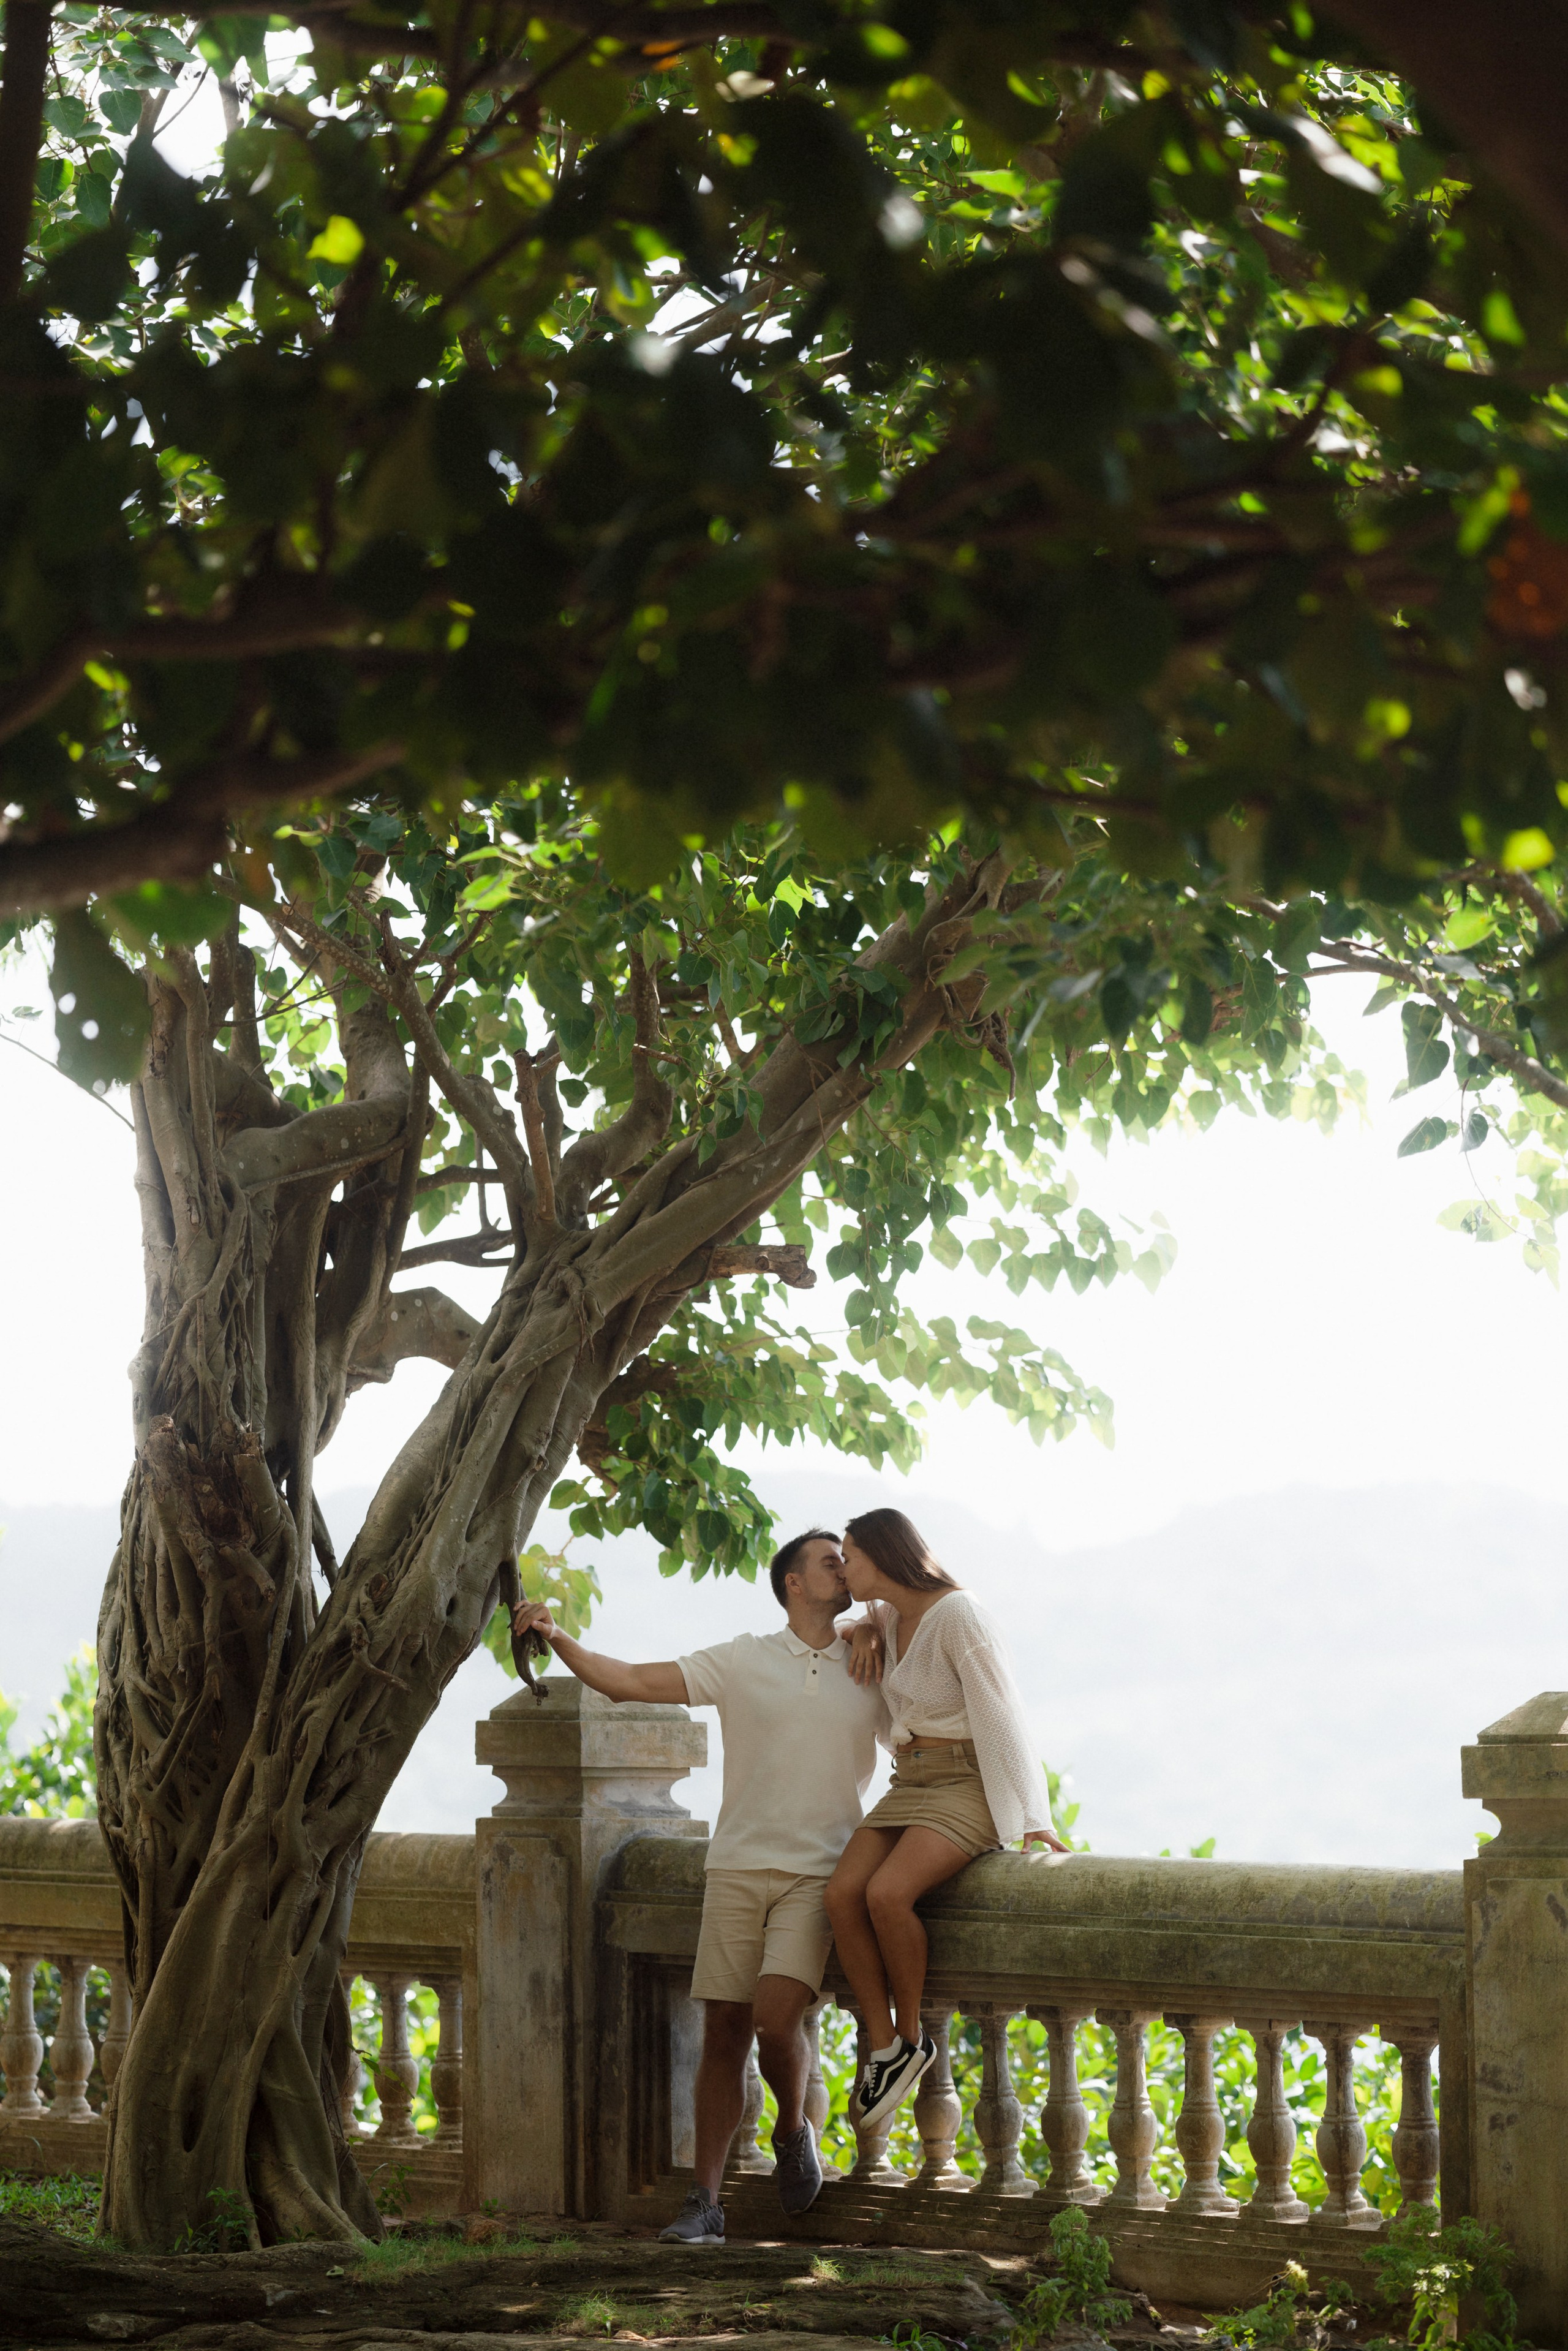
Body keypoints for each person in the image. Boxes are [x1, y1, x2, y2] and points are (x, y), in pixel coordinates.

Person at [511, 1528, 889, 2247]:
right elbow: (629, 1681)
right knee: (723, 2030)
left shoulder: (874, 1658)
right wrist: (555, 1635)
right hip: (737, 1865)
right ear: (795, 1585)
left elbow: (932, 1701)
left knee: (777, 2021)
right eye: (830, 1561)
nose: (845, 1569)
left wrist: (873, 1623)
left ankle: (790, 2125)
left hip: (819, 1872)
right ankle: (705, 2203)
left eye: (847, 1561)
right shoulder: (744, 1658)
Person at [823, 1507, 1068, 2132]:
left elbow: (1001, 1711)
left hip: (966, 1783)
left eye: (849, 1555)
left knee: (886, 1893)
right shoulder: (888, 1615)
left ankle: (912, 2035)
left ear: (881, 1555)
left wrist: (1031, 1817)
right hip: (911, 1781)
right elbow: (853, 1625)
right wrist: (866, 1632)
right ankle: (886, 2048)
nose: (843, 1569)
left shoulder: (959, 1614)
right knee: (841, 1893)